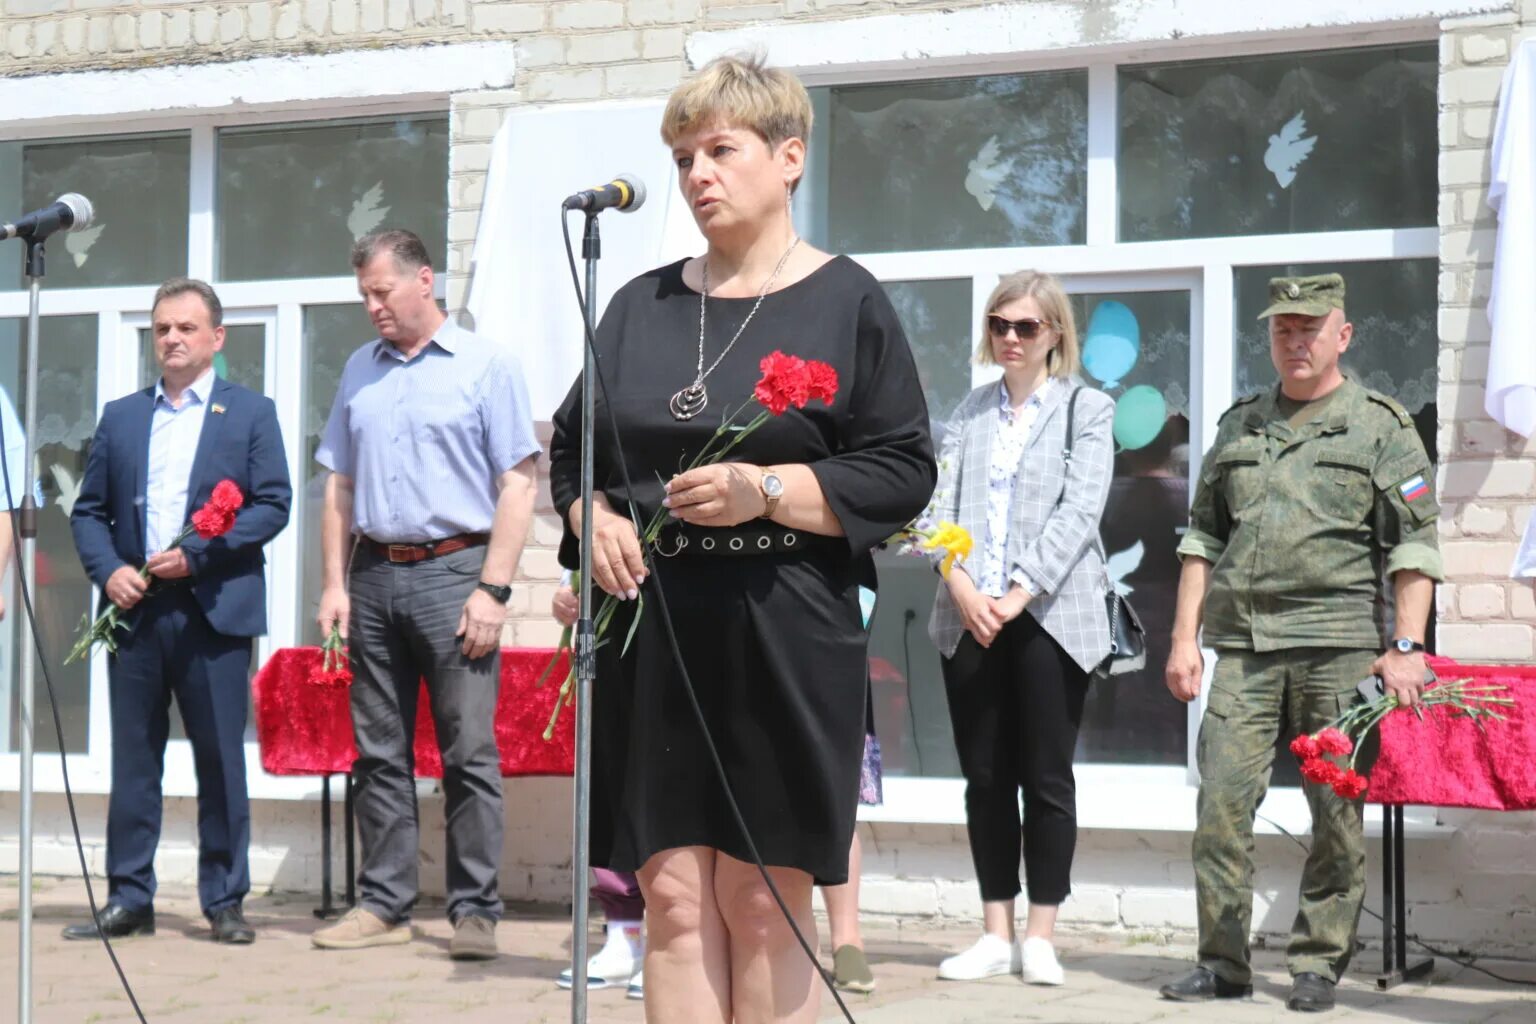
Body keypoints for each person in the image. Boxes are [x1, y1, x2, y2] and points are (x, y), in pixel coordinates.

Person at [548, 54, 935, 1023]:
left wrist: (768, 488)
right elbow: (572, 449)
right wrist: (587, 515)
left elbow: (902, 468)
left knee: (763, 899)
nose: (696, 175)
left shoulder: (847, 301)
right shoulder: (640, 305)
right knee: (673, 896)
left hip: (784, 629)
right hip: (658, 631)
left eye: (720, 150)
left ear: (790, 156)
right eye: (684, 156)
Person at [1157, 274, 1441, 1013]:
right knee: (1220, 804)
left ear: (1342, 335)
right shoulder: (1241, 425)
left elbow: (1416, 542)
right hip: (1244, 649)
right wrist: (1183, 638)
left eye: (1311, 328)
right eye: (1283, 329)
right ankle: (1222, 963)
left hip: (1339, 649)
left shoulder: (1379, 425)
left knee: (1335, 816)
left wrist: (1406, 644)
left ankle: (1317, 964)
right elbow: (1202, 537)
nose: (1296, 341)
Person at [310, 229, 540, 961]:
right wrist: (335, 586)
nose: (373, 307)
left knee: (468, 751)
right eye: (364, 296)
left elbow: (518, 484)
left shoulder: (487, 365)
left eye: (382, 291)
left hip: (455, 575)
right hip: (373, 575)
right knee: (378, 752)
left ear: (425, 281)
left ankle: (475, 912)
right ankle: (384, 903)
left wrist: (494, 590)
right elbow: (339, 486)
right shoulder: (359, 369)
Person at [65, 277, 292, 944]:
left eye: (186, 328)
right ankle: (130, 897)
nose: (172, 339)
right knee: (135, 759)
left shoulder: (250, 412)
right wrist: (109, 573)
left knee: (220, 759)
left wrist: (201, 554)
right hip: (136, 615)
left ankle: (225, 900)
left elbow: (272, 503)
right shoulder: (123, 415)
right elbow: (89, 512)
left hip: (213, 610)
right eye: (162, 328)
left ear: (216, 339)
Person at [926, 270, 1115, 987]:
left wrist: (1015, 592)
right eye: (1000, 324)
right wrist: (964, 585)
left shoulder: (1086, 409)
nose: (1010, 337)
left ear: (1054, 334)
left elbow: (1081, 510)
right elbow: (934, 511)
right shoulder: (968, 412)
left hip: (1049, 617)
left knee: (1045, 776)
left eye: (1025, 326)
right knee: (984, 777)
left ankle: (1041, 933)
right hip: (967, 612)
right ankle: (994, 930)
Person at [551, 572, 647, 1001]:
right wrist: (567, 588)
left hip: (691, 608)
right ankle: (625, 934)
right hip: (614, 619)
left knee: (667, 777)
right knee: (611, 766)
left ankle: (672, 937)